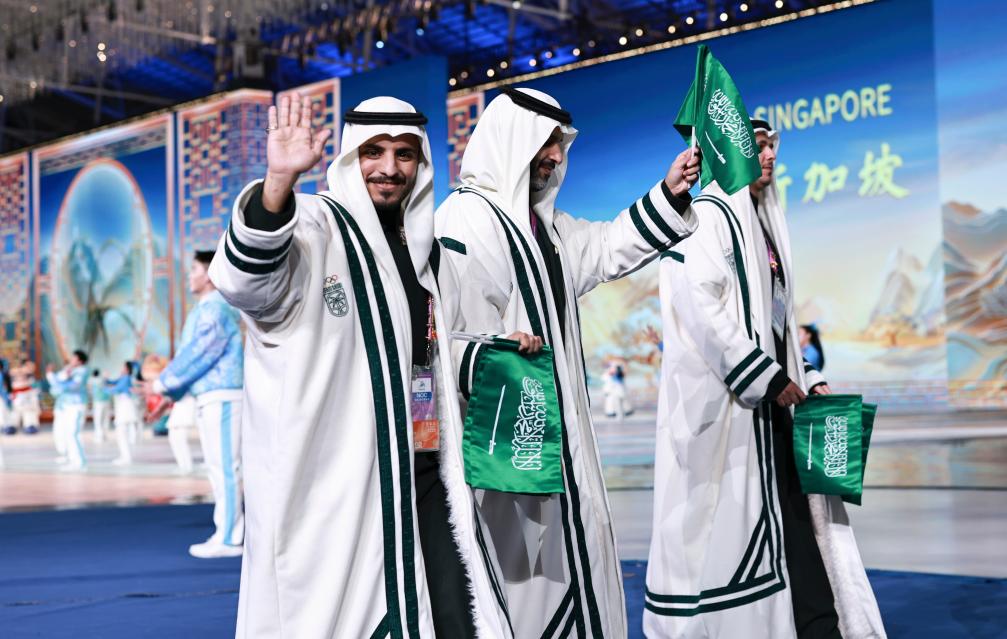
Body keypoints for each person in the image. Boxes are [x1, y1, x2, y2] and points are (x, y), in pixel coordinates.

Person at [209, 93, 519, 638]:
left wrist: (490, 349)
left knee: (458, 613)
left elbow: (429, 349)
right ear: (351, 157)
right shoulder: (313, 226)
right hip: (341, 479)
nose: (389, 168)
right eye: (374, 151)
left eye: (404, 154)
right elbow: (245, 284)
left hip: (424, 468)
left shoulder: (427, 253)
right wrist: (278, 182)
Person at [434, 86, 699, 638]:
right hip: (511, 450)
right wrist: (490, 349)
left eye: (560, 144)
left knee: (574, 571)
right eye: (546, 143)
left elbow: (606, 248)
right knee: (526, 590)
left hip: (560, 440)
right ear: (513, 142)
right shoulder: (466, 218)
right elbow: (449, 336)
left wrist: (670, 193)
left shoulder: (547, 228)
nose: (556, 156)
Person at [647, 119, 885, 638]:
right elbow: (701, 311)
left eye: (772, 146)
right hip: (732, 416)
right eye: (757, 147)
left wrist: (806, 375)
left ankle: (818, 625)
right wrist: (766, 377)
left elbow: (777, 321)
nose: (770, 155)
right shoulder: (705, 220)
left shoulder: (766, 226)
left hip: (775, 407)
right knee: (746, 540)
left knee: (799, 526)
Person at [143, 250, 244, 559]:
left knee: (225, 468)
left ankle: (230, 537)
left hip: (223, 395)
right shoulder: (207, 309)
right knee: (218, 468)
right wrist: (170, 396)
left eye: (195, 270)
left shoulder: (216, 309)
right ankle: (226, 532)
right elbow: (196, 358)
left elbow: (199, 354)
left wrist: (161, 384)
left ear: (211, 275)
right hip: (212, 396)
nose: (190, 276)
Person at [46, 350, 90, 470]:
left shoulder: (82, 371)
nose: (71, 360)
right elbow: (57, 381)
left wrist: (58, 384)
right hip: (67, 406)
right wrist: (55, 378)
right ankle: (73, 459)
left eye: (74, 358)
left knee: (73, 433)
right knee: (68, 433)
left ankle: (79, 462)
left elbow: (73, 386)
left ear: (80, 361)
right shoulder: (70, 370)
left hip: (75, 406)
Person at [108, 362, 140, 466]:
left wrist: (103, 389)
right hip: (124, 406)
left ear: (127, 369)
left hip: (125, 407)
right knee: (121, 432)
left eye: (123, 367)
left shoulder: (126, 378)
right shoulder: (124, 378)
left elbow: (116, 388)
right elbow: (113, 382)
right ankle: (125, 456)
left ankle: (126, 457)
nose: (121, 369)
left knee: (121, 432)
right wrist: (106, 380)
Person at [165, 395, 196, 474]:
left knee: (182, 445)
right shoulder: (179, 398)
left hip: (182, 423)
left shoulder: (190, 398)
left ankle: (188, 467)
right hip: (174, 423)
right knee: (175, 444)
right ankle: (182, 466)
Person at [11, 360, 42, 435]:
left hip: (29, 400)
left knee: (30, 414)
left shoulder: (32, 379)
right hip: (17, 399)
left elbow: (36, 389)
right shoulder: (14, 376)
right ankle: (12, 426)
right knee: (14, 413)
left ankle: (30, 425)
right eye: (28, 366)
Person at [88, 370, 110, 444]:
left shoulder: (92, 380)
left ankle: (99, 436)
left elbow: (89, 388)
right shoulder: (104, 380)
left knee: (98, 419)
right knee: (105, 418)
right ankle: (105, 435)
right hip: (106, 401)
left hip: (98, 402)